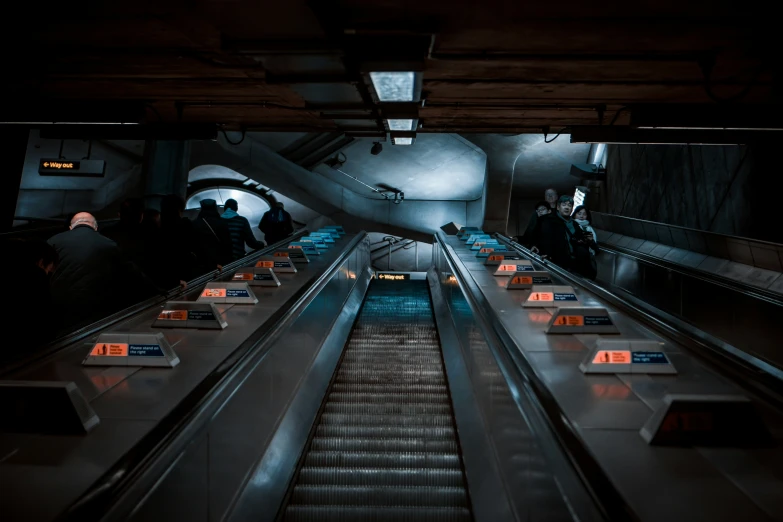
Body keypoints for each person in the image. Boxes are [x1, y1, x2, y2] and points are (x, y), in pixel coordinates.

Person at [47, 212, 159, 332]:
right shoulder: (108, 244)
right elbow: (132, 272)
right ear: (96, 227)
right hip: (96, 306)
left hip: (60, 304)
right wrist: (157, 291)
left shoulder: (53, 241)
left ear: (70, 227)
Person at [3, 240, 59, 359]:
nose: (48, 273)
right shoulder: (37, 278)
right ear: (41, 262)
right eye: (49, 269)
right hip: (26, 347)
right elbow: (44, 318)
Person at [157, 194, 198, 289]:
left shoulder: (157, 228)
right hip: (183, 276)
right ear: (180, 208)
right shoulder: (185, 225)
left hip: (163, 279)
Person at [192, 199, 234, 274]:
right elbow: (228, 245)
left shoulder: (195, 224)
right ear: (215, 207)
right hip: (219, 265)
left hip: (201, 265)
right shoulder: (222, 223)